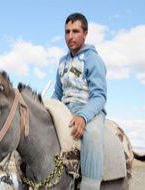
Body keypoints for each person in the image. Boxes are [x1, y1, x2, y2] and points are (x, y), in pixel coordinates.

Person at [52, 13, 107, 190]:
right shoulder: (62, 63)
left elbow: (99, 95)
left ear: (85, 33)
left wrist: (83, 117)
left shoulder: (93, 59)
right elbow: (57, 93)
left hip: (89, 109)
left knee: (92, 135)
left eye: (75, 31)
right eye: (67, 32)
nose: (70, 36)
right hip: (65, 108)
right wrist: (48, 109)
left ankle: (90, 185)